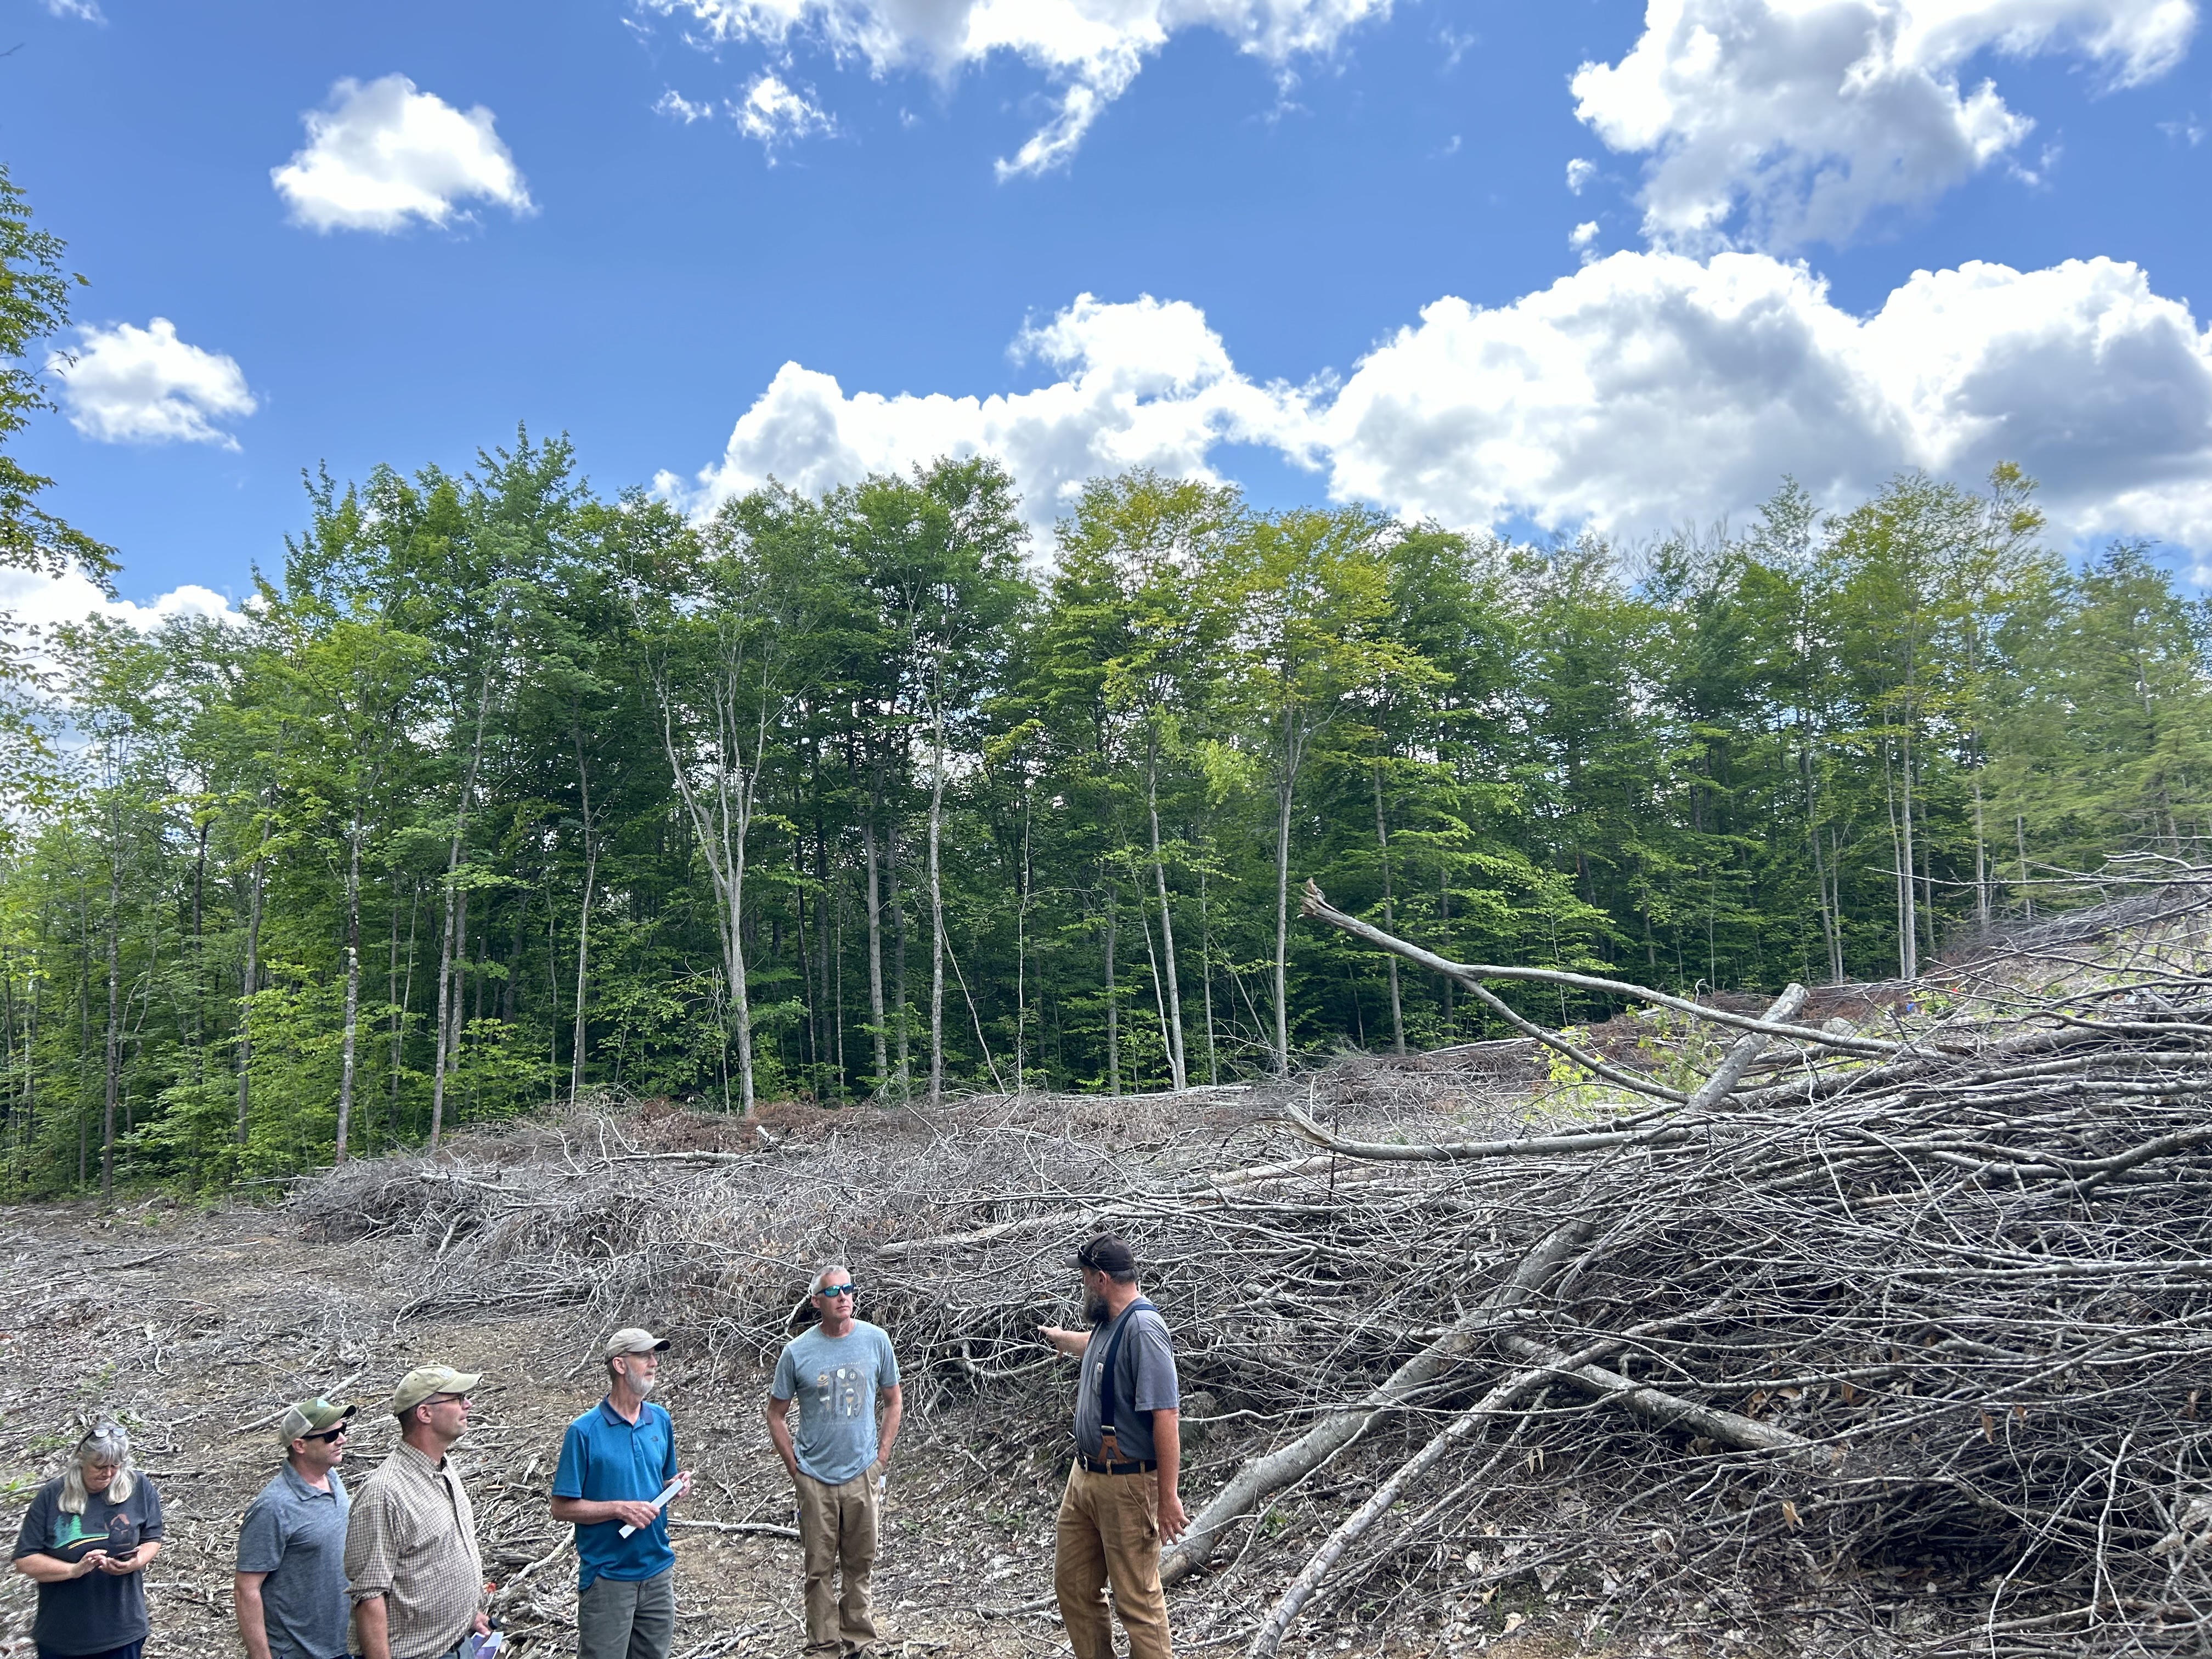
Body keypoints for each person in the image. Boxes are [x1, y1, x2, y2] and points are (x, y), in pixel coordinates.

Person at [1038, 1232, 1186, 1659]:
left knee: (1137, 1601)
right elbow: (1100, 1348)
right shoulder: (1110, 1323)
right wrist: (1061, 1338)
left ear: (1101, 1279)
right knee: (1073, 1585)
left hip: (1127, 1485)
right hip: (1084, 1477)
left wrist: (1167, 1498)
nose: (1083, 1285)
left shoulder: (1144, 1328)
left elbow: (1166, 1415)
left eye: (1086, 1277)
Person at [766, 1264, 902, 1659]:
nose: (843, 1296)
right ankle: (823, 1647)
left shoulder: (876, 1341)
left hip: (862, 1474)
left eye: (848, 1289)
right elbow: (775, 1414)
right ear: (816, 1301)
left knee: (860, 1566)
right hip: (816, 1480)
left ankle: (859, 1643)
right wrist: (797, 1470)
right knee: (819, 1571)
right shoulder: (797, 1352)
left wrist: (880, 1458)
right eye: (833, 1291)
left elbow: (893, 1400)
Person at [550, 1329, 694, 1659]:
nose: (654, 1363)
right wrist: (618, 1509)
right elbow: (561, 1508)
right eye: (644, 1356)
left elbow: (660, 1481)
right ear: (619, 1364)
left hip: (658, 1570)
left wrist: (675, 1486)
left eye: (655, 1356)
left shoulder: (660, 1420)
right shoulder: (583, 1432)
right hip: (608, 1576)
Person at [343, 1365, 490, 1659]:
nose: (468, 1404)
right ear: (425, 1413)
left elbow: (435, 1560)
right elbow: (369, 1597)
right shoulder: (384, 1494)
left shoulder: (443, 1467)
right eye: (458, 1398)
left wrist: (466, 1615)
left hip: (457, 1644)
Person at [9, 1420, 166, 1659]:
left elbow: (152, 1538)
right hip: (63, 1635)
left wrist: (135, 1562)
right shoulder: (52, 1495)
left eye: (115, 1466)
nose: (108, 1473)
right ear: (81, 1460)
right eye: (99, 1466)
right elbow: (25, 1559)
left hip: (123, 1630)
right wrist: (74, 1570)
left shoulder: (139, 1487)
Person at [237, 1397, 357, 1659]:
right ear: (300, 1445)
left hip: (345, 1644)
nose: (342, 1439)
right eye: (331, 1435)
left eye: (343, 1429)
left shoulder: (332, 1478)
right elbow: (246, 1589)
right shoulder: (273, 1507)